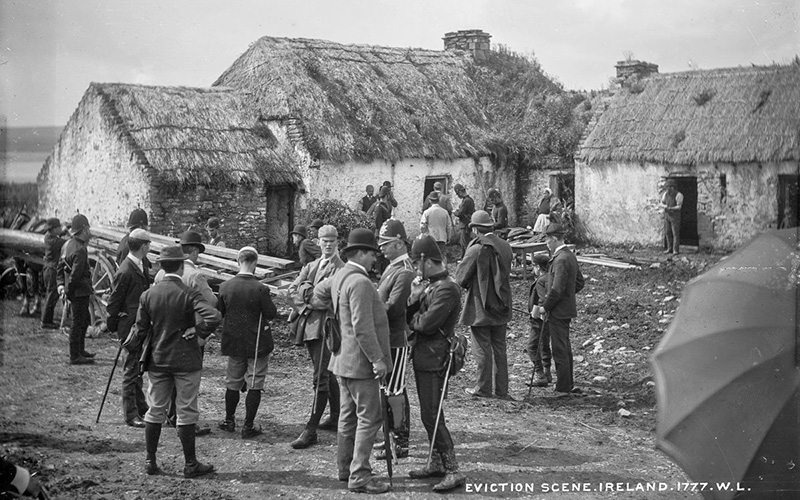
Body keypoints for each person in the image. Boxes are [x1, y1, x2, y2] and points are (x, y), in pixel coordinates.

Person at [126, 245, 221, 478]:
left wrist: (129, 346)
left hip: (158, 360)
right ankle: (190, 465)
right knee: (186, 411)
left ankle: (150, 461)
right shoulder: (189, 292)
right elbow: (214, 316)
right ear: (180, 266)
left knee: (155, 409)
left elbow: (140, 330)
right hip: (186, 360)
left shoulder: (148, 295)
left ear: (160, 266)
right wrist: (197, 330)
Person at [328, 228, 391, 494]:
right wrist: (377, 359)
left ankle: (346, 469)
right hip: (361, 364)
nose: (375, 259)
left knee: (348, 417)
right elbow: (362, 327)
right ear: (360, 253)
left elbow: (319, 298)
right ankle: (360, 476)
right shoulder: (362, 282)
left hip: (342, 361)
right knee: (369, 418)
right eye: (372, 253)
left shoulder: (339, 276)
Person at [406, 234, 466, 491]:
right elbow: (416, 316)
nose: (415, 270)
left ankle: (453, 469)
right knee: (430, 413)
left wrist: (415, 317)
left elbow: (427, 324)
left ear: (425, 261)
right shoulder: (432, 285)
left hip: (435, 356)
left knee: (431, 414)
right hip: (425, 354)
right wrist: (414, 301)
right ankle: (437, 462)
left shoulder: (447, 288)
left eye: (416, 264)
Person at [288, 224, 345, 449]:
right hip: (309, 325)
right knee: (325, 372)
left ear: (337, 242)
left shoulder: (341, 269)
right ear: (318, 241)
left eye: (332, 240)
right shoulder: (311, 265)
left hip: (327, 328)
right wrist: (306, 303)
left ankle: (310, 430)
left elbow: (330, 299)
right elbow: (292, 290)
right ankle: (336, 415)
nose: (328, 244)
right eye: (324, 240)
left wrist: (307, 293)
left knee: (319, 377)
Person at [155, 230, 216, 435]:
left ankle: (169, 416)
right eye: (197, 252)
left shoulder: (160, 274)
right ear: (192, 253)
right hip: (190, 335)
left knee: (167, 379)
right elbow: (212, 303)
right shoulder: (196, 275)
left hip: (164, 334)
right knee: (188, 382)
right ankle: (186, 422)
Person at [217, 246, 277, 439]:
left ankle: (229, 420)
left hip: (234, 342)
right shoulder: (261, 288)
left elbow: (220, 313)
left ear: (238, 261)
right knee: (254, 383)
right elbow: (271, 314)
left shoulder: (225, 287)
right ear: (255, 264)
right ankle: (248, 425)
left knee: (232, 382)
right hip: (257, 343)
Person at [455, 210, 513, 399]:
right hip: (502, 304)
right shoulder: (506, 246)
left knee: (481, 347)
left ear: (474, 229)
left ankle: (483, 389)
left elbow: (460, 277)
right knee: (499, 348)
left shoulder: (476, 249)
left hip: (481, 306)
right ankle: (502, 390)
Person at [374, 219, 414, 460]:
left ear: (399, 243)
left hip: (397, 340)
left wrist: (369, 306)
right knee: (388, 389)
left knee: (395, 391)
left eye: (386, 244)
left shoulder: (405, 271)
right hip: (386, 338)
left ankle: (400, 442)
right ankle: (390, 436)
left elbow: (393, 308)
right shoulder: (392, 267)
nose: (382, 249)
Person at [106, 228, 152, 428]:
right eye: (148, 245)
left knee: (137, 368)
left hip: (139, 324)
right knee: (130, 370)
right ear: (143, 247)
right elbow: (112, 303)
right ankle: (130, 415)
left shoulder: (140, 265)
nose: (149, 248)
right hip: (129, 327)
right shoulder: (125, 270)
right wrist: (117, 328)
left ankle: (141, 407)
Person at [541, 223, 585, 397]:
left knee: (559, 349)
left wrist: (545, 306)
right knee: (564, 347)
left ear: (553, 239)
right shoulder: (569, 256)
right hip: (565, 309)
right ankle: (568, 382)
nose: (545, 243)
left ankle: (562, 387)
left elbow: (557, 290)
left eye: (546, 239)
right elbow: (579, 283)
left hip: (558, 311)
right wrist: (568, 296)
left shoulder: (560, 259)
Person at [57, 213, 95, 365]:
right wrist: (69, 291)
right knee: (78, 322)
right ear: (84, 229)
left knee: (83, 320)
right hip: (79, 292)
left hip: (75, 291)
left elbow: (59, 267)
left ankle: (80, 350)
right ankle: (75, 356)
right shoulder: (80, 249)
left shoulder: (67, 245)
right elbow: (75, 275)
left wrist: (61, 285)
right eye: (88, 229)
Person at [526, 253, 552, 387]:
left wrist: (536, 312)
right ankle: (547, 372)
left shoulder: (541, 281)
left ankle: (540, 374)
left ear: (537, 267)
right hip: (547, 320)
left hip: (539, 319)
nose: (532, 269)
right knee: (544, 345)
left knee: (531, 347)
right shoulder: (550, 277)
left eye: (533, 266)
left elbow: (543, 300)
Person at [40, 217, 65, 329]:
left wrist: (63, 231)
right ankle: (45, 321)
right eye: (59, 227)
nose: (60, 228)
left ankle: (47, 319)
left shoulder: (48, 236)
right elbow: (67, 242)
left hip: (48, 269)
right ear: (54, 229)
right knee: (52, 295)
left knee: (51, 294)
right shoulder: (55, 241)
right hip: (52, 270)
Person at [419, 192, 452, 262]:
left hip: (430, 238)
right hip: (442, 238)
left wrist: (424, 235)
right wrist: (448, 237)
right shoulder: (445, 212)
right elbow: (449, 226)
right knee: (442, 256)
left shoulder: (426, 212)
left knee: (431, 256)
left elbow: (422, 226)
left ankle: (433, 271)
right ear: (438, 200)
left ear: (430, 201)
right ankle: (444, 270)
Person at [659, 179, 683, 254]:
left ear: (673, 187)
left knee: (675, 233)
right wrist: (665, 206)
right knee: (667, 232)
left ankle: (675, 250)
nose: (668, 189)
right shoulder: (665, 194)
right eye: (667, 187)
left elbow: (679, 206)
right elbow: (661, 203)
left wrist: (671, 208)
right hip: (667, 216)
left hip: (675, 216)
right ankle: (669, 248)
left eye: (669, 187)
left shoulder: (679, 195)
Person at [452, 184, 475, 260]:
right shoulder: (469, 200)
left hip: (465, 224)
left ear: (460, 192)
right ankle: (463, 256)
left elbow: (460, 213)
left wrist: (454, 212)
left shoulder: (466, 201)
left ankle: (467, 258)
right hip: (466, 223)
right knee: (463, 242)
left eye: (457, 194)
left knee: (465, 242)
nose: (458, 196)